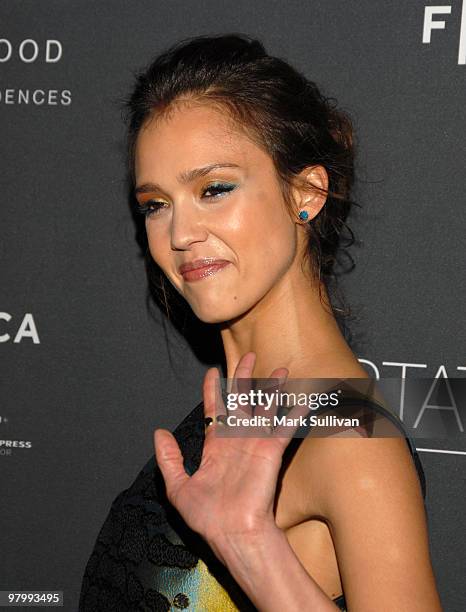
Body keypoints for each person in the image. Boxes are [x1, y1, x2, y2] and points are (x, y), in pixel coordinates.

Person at [79, 34, 442, 611]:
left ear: (306, 191)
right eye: (156, 203)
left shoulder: (351, 441)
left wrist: (251, 545)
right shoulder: (241, 407)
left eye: (214, 189)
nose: (178, 235)